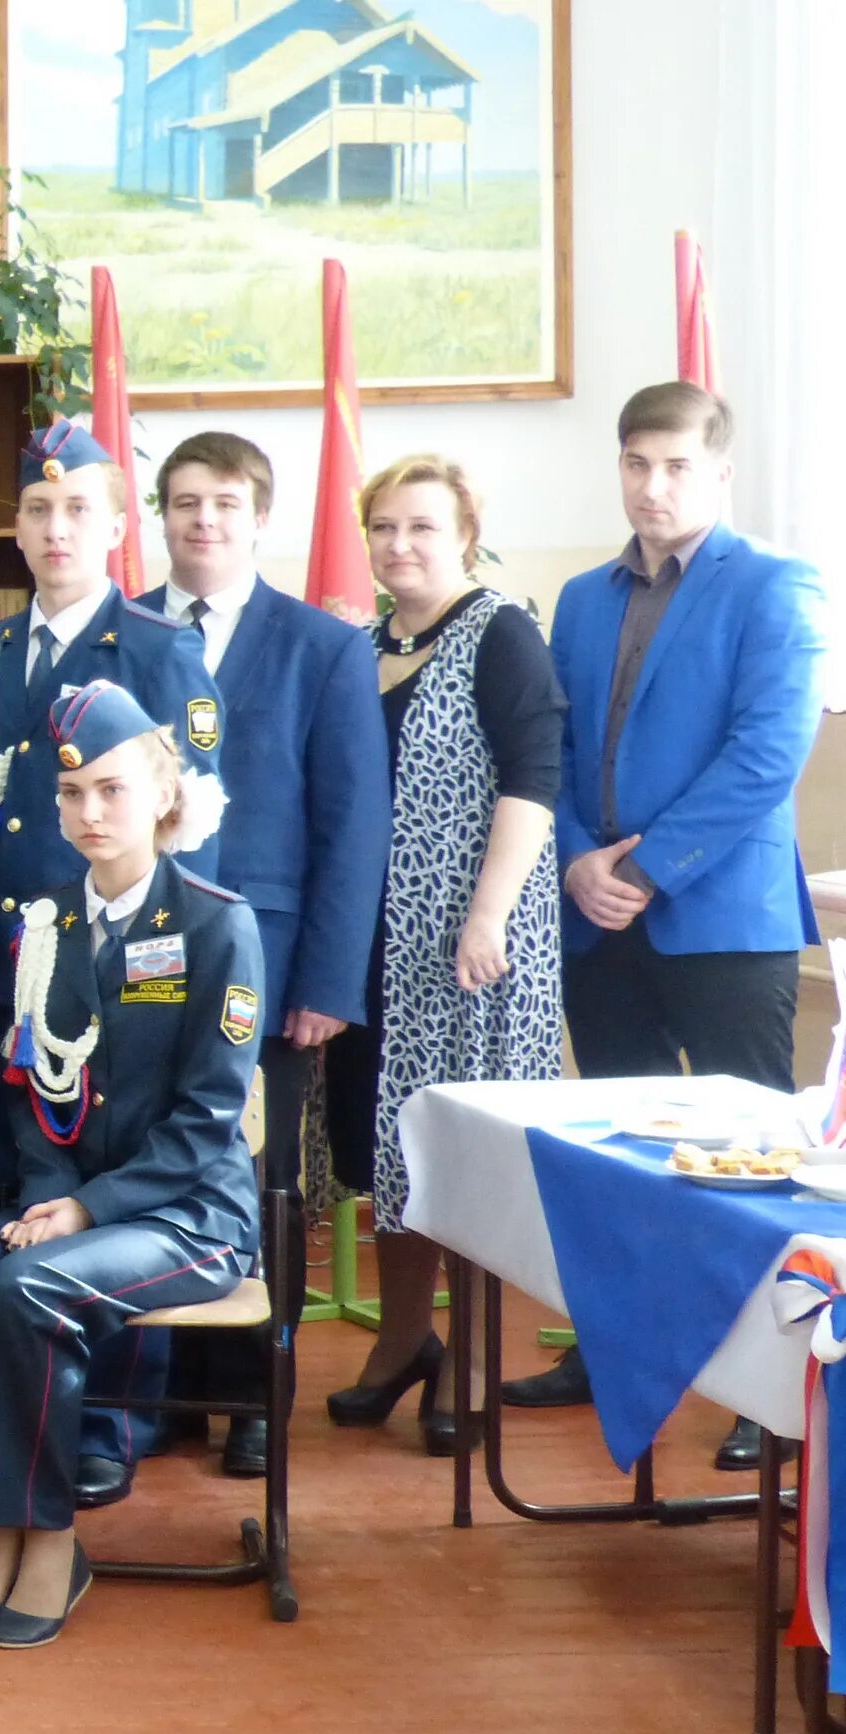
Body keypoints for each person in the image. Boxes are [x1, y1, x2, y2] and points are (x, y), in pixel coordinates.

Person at [494, 385, 830, 1470]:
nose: (653, 485)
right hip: (596, 915)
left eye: (677, 466)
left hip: (723, 921)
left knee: (756, 1159)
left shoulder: (777, 584)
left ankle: (767, 1388)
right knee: (623, 1158)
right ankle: (617, 1352)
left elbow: (768, 757)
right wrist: (579, 858)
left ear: (720, 473)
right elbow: (555, 745)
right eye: (637, 463)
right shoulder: (583, 598)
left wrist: (642, 865)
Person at [0, 679, 259, 1650]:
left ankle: (50, 1540)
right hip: (70, 1203)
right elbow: (29, 1089)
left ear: (161, 792)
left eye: (111, 790)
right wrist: (52, 1194)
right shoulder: (44, 925)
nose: (89, 813)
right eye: (72, 796)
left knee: (28, 1289)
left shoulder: (213, 923)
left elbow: (207, 1119)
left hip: (187, 1216)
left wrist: (89, 1208)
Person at [121, 433, 390, 1481]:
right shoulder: (127, 629)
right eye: (184, 502)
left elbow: (352, 824)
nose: (203, 521)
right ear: (160, 514)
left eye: (225, 503)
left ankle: (252, 1397)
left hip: (270, 971)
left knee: (253, 1177)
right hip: (138, 962)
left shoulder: (321, 645)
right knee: (153, 1169)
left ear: (259, 516)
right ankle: (168, 1392)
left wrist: (327, 983)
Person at [0, 419, 225, 1507]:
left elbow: (200, 818)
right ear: (16, 530)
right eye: (38, 509)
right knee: (29, 1168)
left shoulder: (164, 650)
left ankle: (111, 1416)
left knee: (111, 1174)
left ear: (120, 529)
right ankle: (23, 1409)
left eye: (80, 510)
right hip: (9, 956)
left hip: (125, 963)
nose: (57, 527)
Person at [315, 458, 557, 1453]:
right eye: (383, 528)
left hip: (470, 949)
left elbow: (536, 778)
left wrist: (488, 913)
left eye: (421, 527)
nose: (399, 546)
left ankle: (469, 1359)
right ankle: (403, 1341)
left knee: (466, 1162)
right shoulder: (362, 647)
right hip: (374, 952)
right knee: (388, 1154)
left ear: (464, 531)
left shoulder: (502, 631)